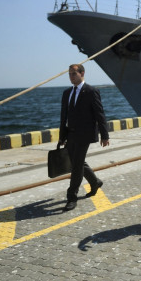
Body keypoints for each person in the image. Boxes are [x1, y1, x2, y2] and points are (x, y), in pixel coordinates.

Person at [58, 64, 110, 212]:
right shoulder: (67, 93)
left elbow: (100, 114)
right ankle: (95, 182)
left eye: (74, 73)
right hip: (71, 133)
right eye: (69, 74)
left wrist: (104, 135)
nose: (71, 76)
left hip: (85, 135)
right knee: (77, 161)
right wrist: (62, 136)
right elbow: (64, 117)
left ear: (82, 73)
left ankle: (71, 197)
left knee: (76, 166)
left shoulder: (91, 91)